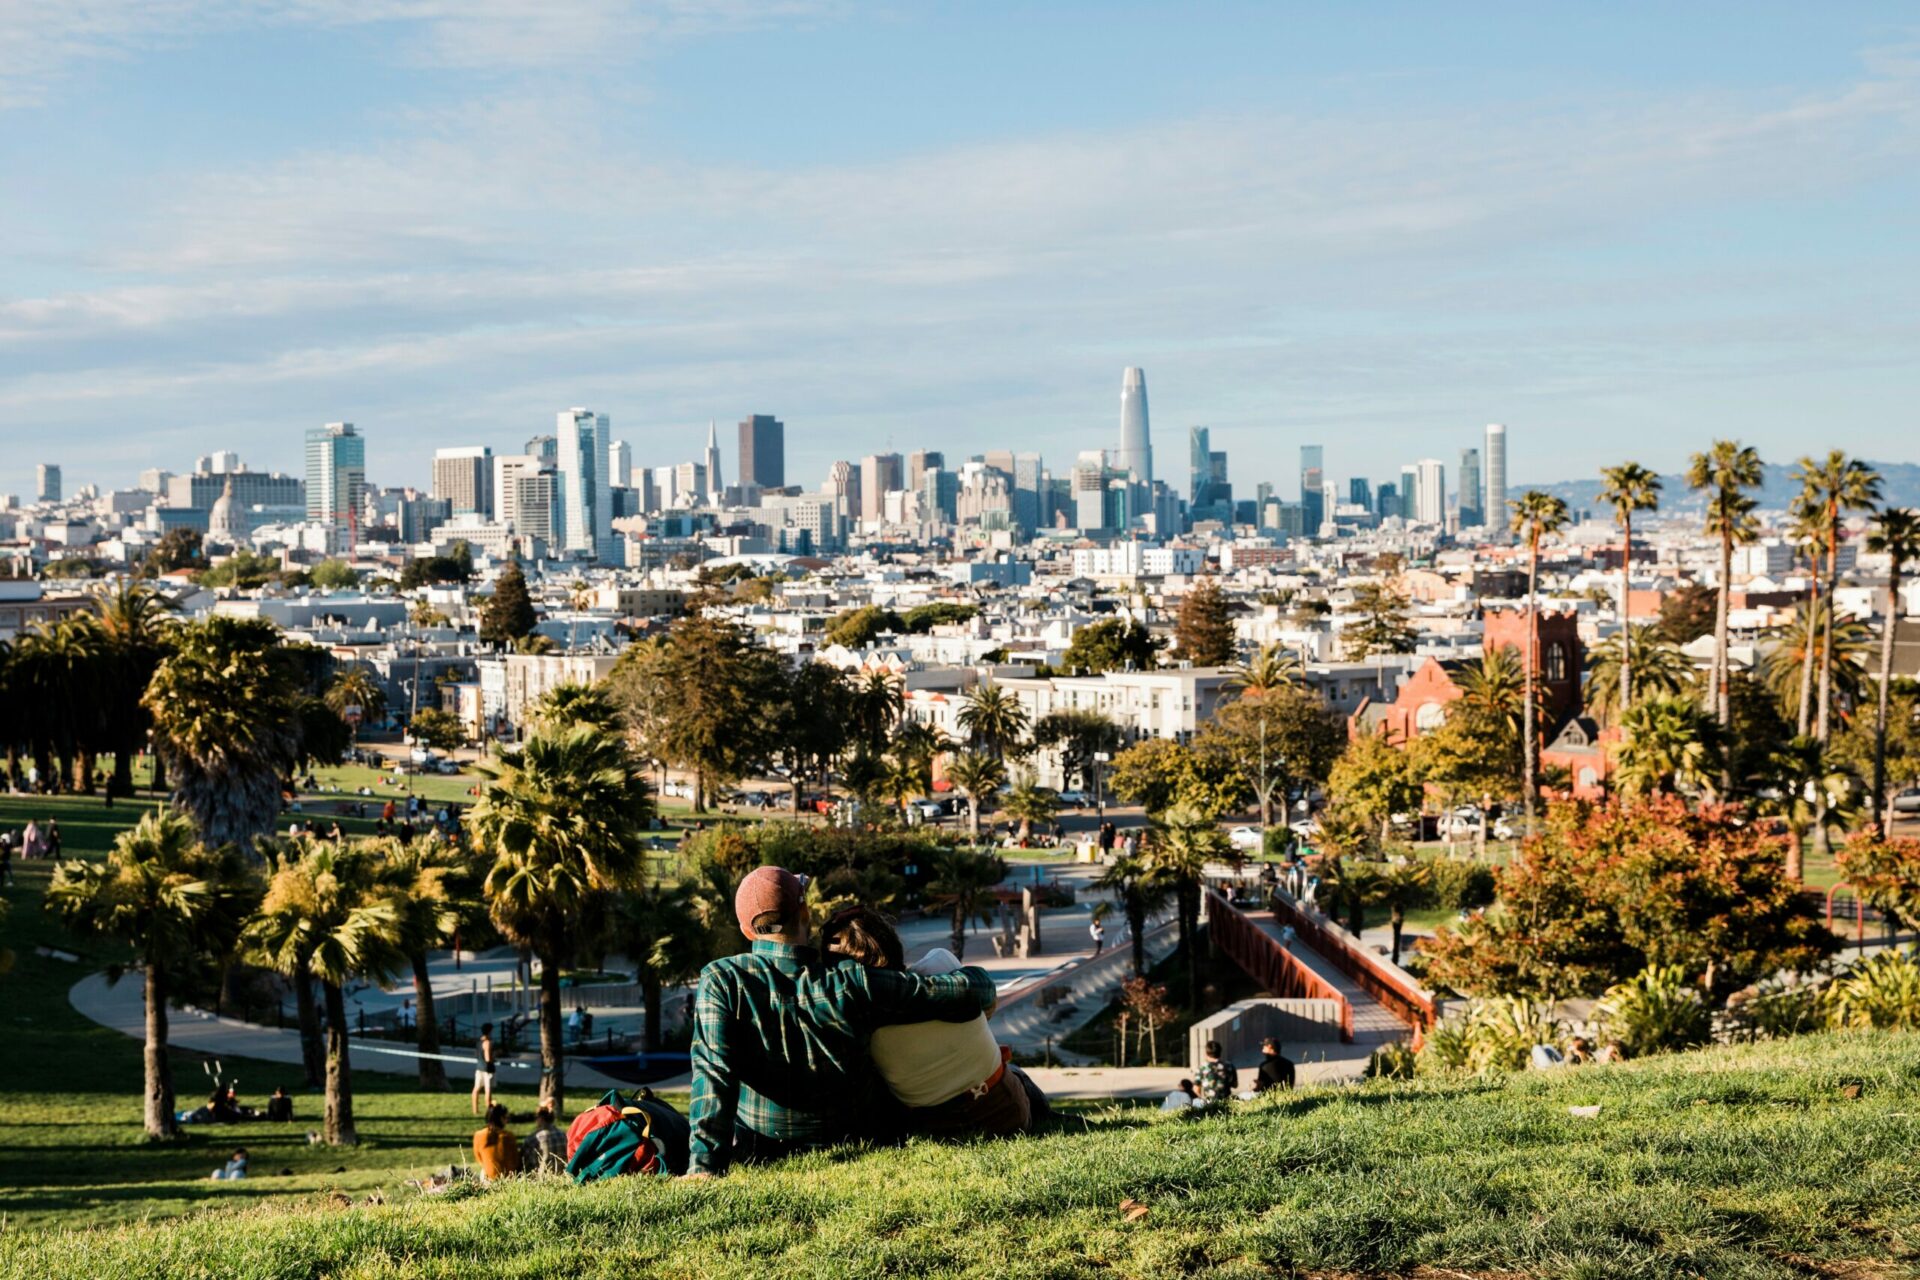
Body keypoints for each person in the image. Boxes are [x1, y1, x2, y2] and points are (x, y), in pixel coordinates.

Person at [685, 866, 1000, 1178]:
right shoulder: (851, 982)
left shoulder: (722, 980)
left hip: (764, 1147)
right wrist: (973, 978)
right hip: (859, 1139)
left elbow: (713, 1074)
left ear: (747, 931)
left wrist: (705, 1166)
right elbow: (973, 989)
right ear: (805, 912)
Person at [821, 906, 1048, 1139]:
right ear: (890, 941)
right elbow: (987, 1006)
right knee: (1016, 1073)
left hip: (936, 1129)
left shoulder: (857, 1023)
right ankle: (1051, 1116)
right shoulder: (940, 964)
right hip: (1004, 1113)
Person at [472, 1102, 520, 1182]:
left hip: (489, 1178)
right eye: (506, 1118)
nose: (507, 1121)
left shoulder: (479, 1135)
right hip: (509, 1179)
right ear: (501, 1118)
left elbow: (479, 1159)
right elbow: (515, 1161)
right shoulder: (509, 1136)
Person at [523, 1106, 567, 1174]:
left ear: (541, 1119)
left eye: (536, 1117)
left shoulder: (533, 1138)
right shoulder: (563, 1135)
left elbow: (524, 1163)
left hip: (542, 1179)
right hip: (562, 1177)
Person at [1195, 1040, 1236, 1108]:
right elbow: (1235, 1085)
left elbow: (1196, 1089)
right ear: (1220, 1052)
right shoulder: (1229, 1066)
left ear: (1206, 1053)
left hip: (1209, 1104)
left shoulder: (1202, 1068)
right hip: (1226, 1103)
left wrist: (1203, 1099)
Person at [471, 1023, 497, 1114]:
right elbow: (488, 1058)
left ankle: (475, 1110)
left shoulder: (479, 1041)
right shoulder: (487, 1043)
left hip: (479, 1068)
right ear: (490, 1031)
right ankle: (489, 1111)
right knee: (488, 1090)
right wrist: (494, 1058)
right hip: (488, 1069)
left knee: (476, 1088)